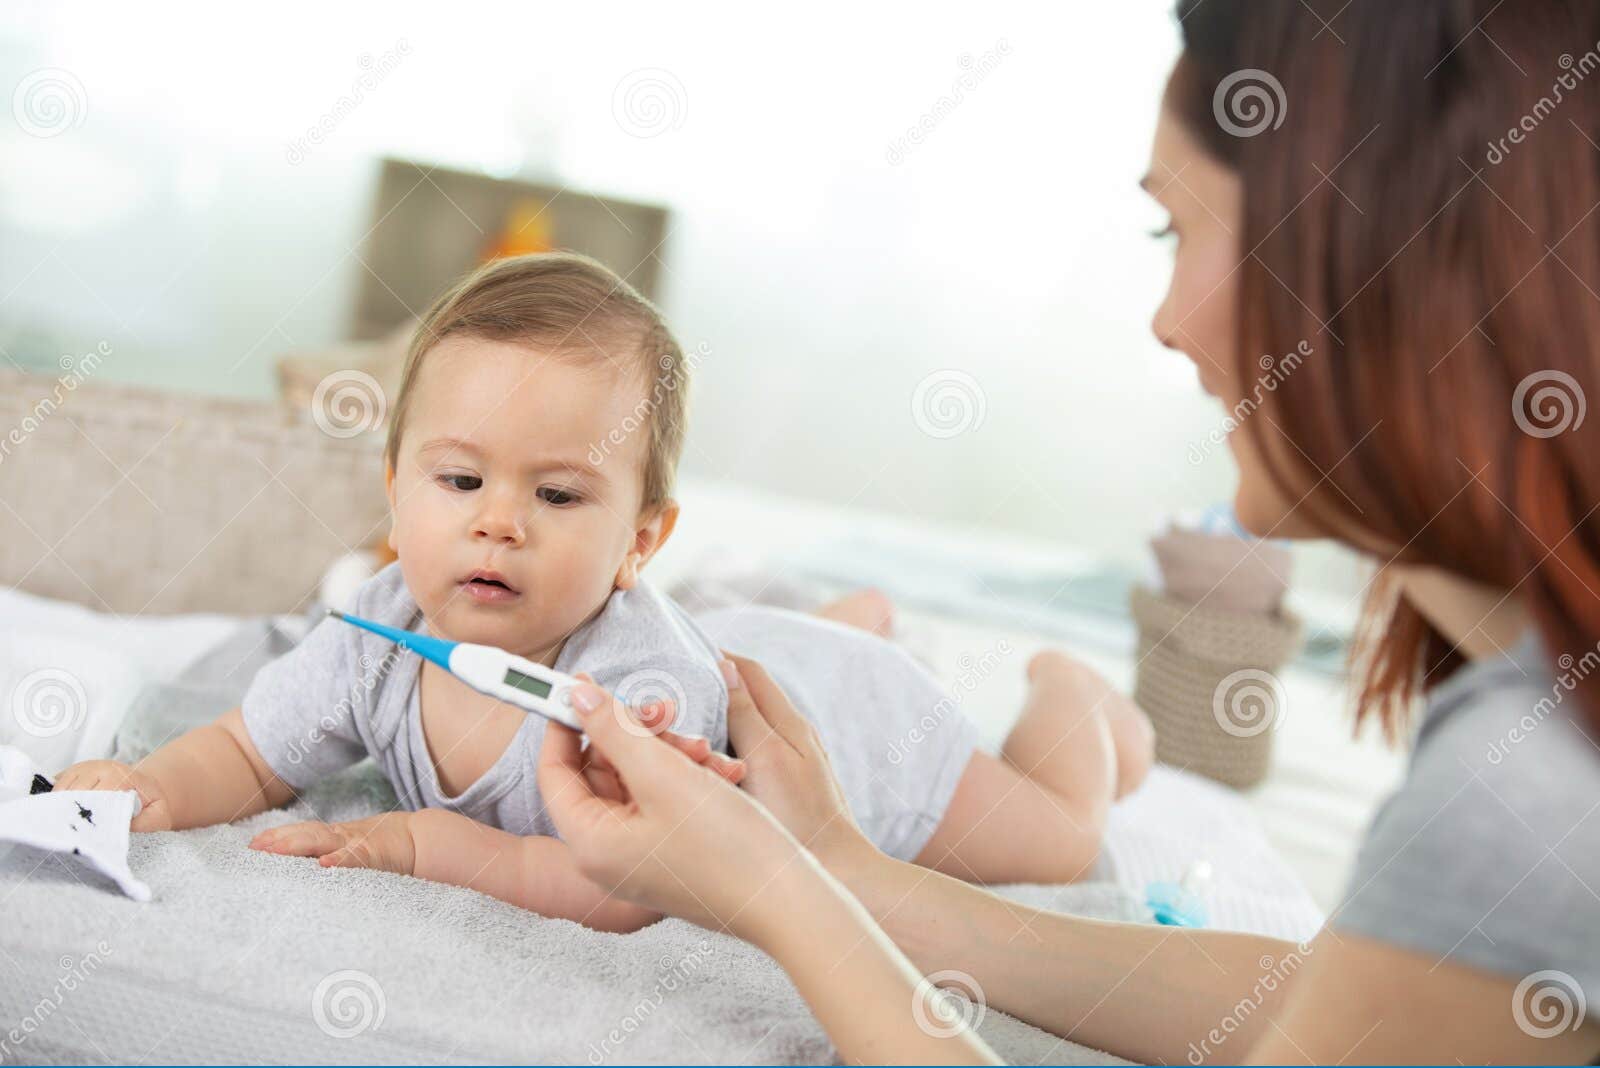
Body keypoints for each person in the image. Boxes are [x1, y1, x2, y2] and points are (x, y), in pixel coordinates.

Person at [534, 0, 1600, 1063]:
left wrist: (776, 897)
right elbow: (1347, 1004)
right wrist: (833, 869)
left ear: (1380, 257)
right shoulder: (1537, 732)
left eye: (1175, 230)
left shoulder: (1527, 797)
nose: (1166, 320)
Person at [51, 252, 1150, 931]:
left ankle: (1077, 699)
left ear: (640, 540)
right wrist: (150, 786)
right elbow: (249, 751)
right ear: (396, 497)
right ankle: (836, 617)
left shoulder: (634, 685)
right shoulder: (372, 635)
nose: (497, 519)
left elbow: (626, 888)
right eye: (459, 478)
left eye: (559, 494)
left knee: (1057, 839)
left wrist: (422, 844)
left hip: (850, 730)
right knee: (752, 647)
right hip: (741, 653)